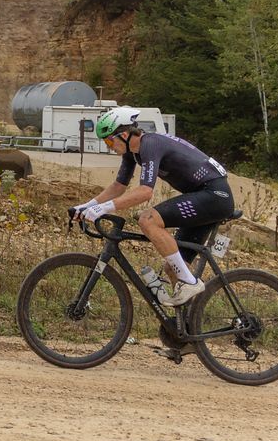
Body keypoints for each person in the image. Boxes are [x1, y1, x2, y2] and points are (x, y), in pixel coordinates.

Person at [70, 106, 235, 306]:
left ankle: (190, 283)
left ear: (123, 134)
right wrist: (86, 206)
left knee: (148, 220)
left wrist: (103, 209)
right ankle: (186, 330)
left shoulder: (151, 144)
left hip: (214, 195)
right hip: (203, 196)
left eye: (108, 140)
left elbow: (146, 192)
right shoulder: (133, 153)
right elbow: (118, 186)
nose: (108, 146)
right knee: (172, 269)